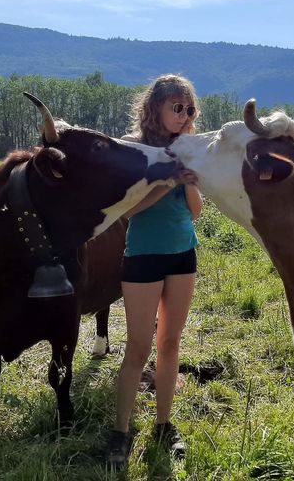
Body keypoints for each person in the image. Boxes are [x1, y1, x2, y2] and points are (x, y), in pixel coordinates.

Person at [106, 74, 203, 468]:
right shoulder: (133, 149)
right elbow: (126, 211)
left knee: (170, 344)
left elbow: (194, 213)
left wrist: (190, 182)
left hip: (184, 255)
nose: (183, 116)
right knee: (137, 347)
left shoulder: (187, 149)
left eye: (189, 109)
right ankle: (120, 432)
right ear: (156, 107)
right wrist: (168, 181)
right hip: (143, 256)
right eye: (176, 107)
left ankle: (164, 425)